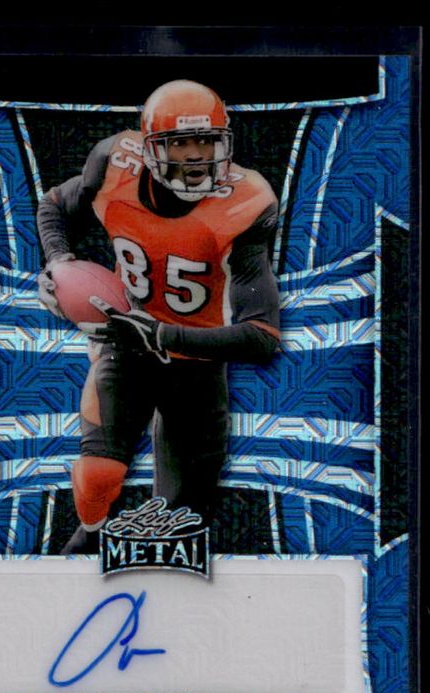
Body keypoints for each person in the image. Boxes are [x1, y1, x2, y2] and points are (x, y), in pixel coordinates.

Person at [37, 79, 280, 554]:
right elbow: (55, 205)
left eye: (206, 141)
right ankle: (81, 553)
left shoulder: (246, 201)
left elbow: (262, 335)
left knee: (181, 521)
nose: (196, 156)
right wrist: (58, 262)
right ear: (150, 149)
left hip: (197, 361)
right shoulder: (113, 164)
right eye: (180, 143)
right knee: (97, 476)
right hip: (124, 347)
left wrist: (164, 334)